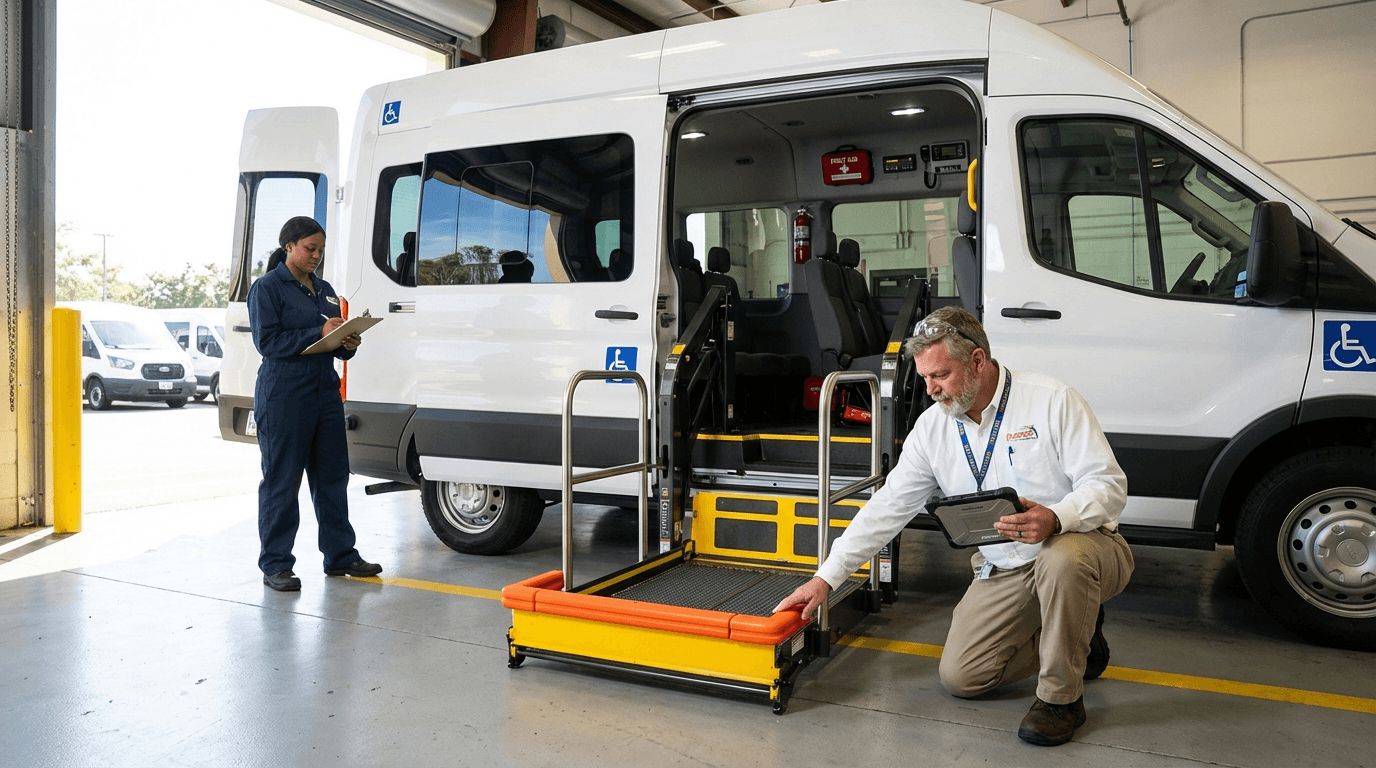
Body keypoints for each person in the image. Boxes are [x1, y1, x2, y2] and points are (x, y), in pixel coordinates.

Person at [774, 306, 1133, 747]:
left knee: (1062, 561)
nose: (930, 390)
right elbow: (887, 507)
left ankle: (1061, 699)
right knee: (964, 676)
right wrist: (825, 578)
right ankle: (1080, 633)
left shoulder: (1052, 400)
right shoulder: (932, 429)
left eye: (940, 375)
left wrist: (1057, 516)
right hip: (1006, 563)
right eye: (925, 378)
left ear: (978, 362)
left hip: (1082, 546)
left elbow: (1110, 485)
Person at [249, 216, 382, 592]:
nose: (317, 256)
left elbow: (331, 341)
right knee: (282, 481)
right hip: (284, 396)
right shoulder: (267, 288)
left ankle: (340, 556)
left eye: (321, 250)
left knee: (332, 478)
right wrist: (318, 331)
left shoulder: (323, 289)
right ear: (289, 245)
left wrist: (346, 341)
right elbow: (268, 343)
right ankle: (276, 564)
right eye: (310, 248)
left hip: (324, 392)